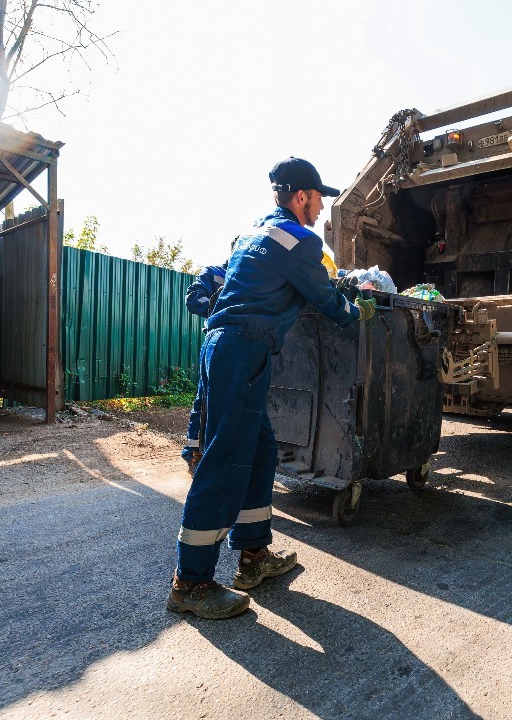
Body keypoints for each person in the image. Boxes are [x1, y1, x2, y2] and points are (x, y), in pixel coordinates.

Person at [167, 157, 376, 619]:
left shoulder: (252, 236)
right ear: (301, 196)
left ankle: (254, 556)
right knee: (226, 461)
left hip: (226, 349)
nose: (322, 207)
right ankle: (192, 581)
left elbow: (220, 282)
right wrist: (355, 312)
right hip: (243, 351)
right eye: (319, 197)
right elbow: (324, 297)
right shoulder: (300, 240)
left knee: (260, 452)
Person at [180, 262, 228, 473]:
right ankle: (194, 452)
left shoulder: (253, 273)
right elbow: (193, 300)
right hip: (217, 342)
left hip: (242, 344)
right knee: (205, 398)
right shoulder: (215, 274)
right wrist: (226, 311)